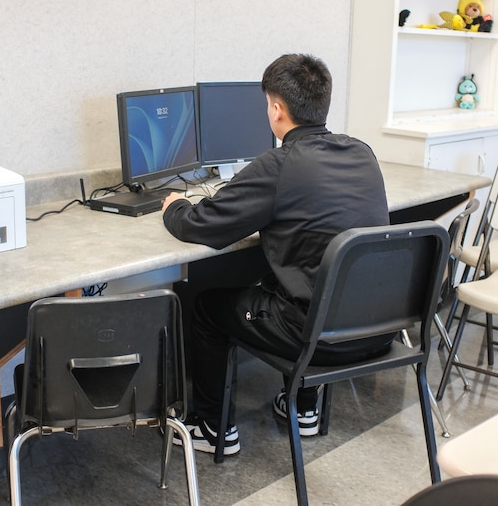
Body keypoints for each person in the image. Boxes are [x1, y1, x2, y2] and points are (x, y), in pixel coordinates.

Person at [162, 53, 392, 455]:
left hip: (318, 337)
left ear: (276, 108)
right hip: (377, 328)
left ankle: (212, 429)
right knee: (293, 279)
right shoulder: (362, 153)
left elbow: (204, 224)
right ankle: (303, 409)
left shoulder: (280, 164)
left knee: (206, 308)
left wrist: (174, 207)